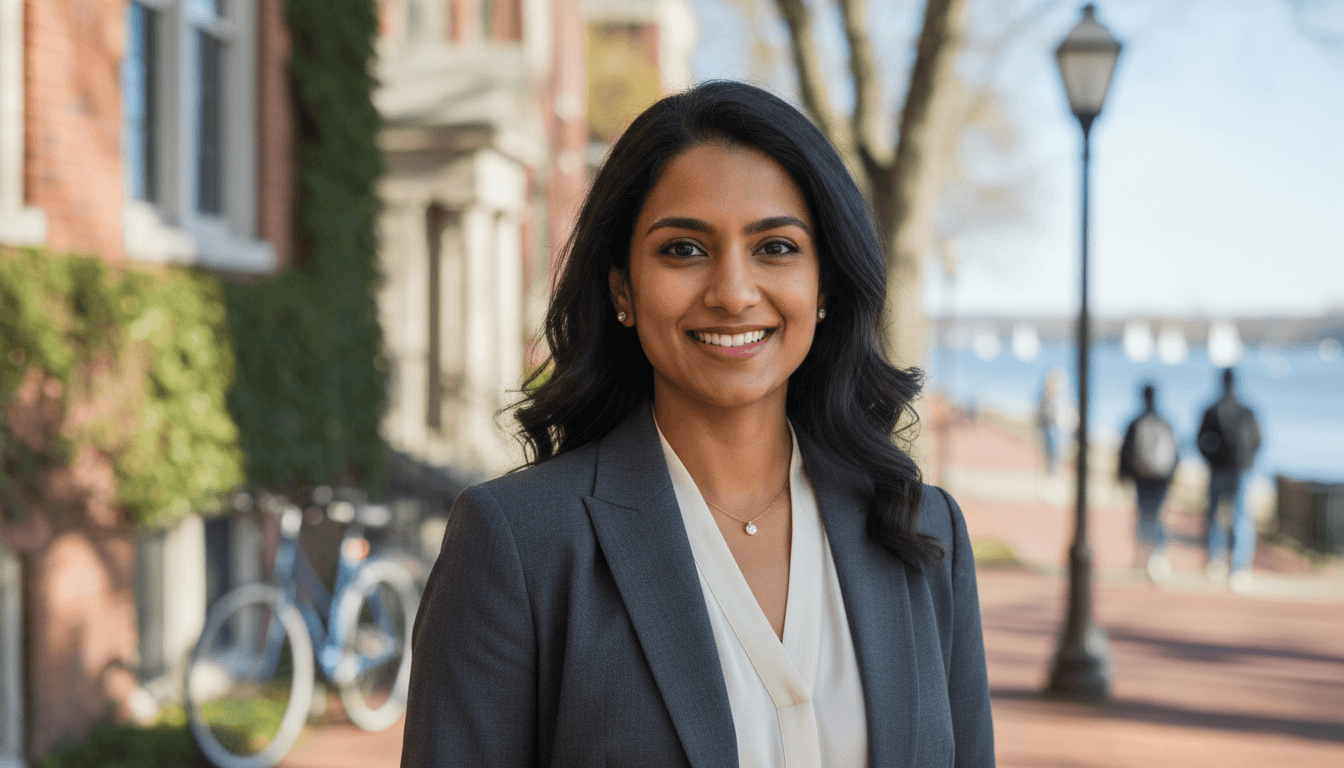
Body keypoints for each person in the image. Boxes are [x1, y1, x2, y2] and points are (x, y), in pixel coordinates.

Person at [401, 81, 994, 767]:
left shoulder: (922, 534)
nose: (734, 292)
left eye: (775, 247)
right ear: (622, 287)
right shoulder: (520, 545)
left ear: (825, 284)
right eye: (684, 250)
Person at [1196, 367, 1262, 593]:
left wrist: (1212, 459)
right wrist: (1247, 461)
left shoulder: (1214, 410)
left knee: (1218, 514)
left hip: (1226, 470)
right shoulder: (1245, 411)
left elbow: (1200, 440)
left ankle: (1218, 562)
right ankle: (1238, 568)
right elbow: (1258, 440)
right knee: (1241, 517)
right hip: (1239, 470)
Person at [1118, 383, 1179, 583]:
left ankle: (1143, 556)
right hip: (1161, 477)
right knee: (1159, 514)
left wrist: (1122, 475)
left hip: (1142, 476)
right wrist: (1172, 476)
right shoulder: (1165, 421)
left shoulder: (1136, 422)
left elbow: (1125, 452)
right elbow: (1175, 453)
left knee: (1144, 515)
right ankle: (1159, 556)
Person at [1036, 368, 1067, 474]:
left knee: (1056, 452)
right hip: (1048, 427)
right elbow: (1041, 413)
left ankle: (1053, 472)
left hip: (1055, 428)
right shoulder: (1044, 398)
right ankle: (1051, 472)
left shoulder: (1057, 398)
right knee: (1050, 451)